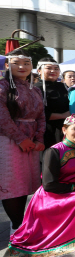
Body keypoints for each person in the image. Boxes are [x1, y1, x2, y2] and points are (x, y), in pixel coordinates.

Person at [4, 115, 75, 257]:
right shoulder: (53, 152)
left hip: (71, 190)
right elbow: (49, 185)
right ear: (64, 130)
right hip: (50, 196)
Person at [0, 49, 46, 235]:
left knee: (29, 184)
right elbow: (2, 117)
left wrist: (40, 138)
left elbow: (41, 116)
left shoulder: (34, 88)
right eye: (17, 63)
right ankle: (16, 227)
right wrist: (20, 139)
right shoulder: (2, 87)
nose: (22, 67)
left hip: (33, 142)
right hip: (9, 140)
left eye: (26, 63)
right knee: (13, 186)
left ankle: (27, 224)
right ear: (7, 65)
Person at [36, 57, 70, 149]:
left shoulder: (63, 86)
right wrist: (63, 115)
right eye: (49, 68)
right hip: (45, 130)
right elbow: (37, 113)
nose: (53, 71)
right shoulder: (35, 88)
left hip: (65, 129)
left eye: (56, 68)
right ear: (39, 71)